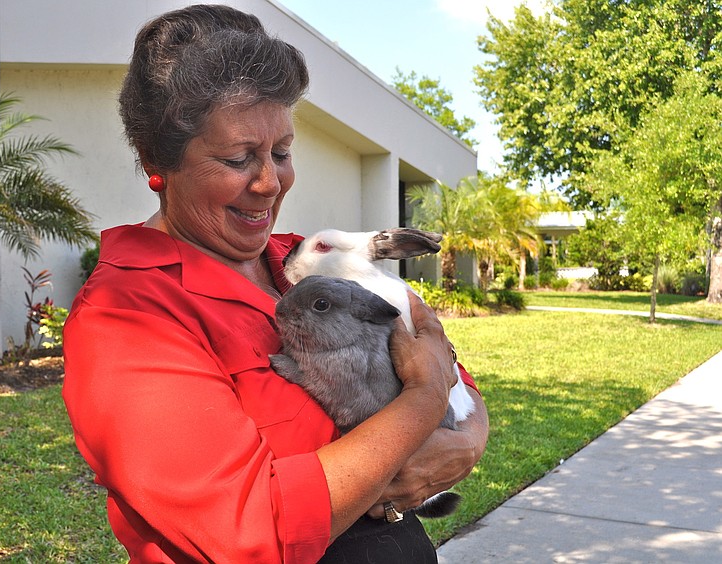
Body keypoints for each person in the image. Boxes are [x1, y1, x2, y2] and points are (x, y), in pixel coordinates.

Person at [62, 5, 488, 563]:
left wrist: (466, 440)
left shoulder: (309, 259)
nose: (270, 182)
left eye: (281, 153)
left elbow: (452, 372)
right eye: (239, 158)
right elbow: (253, 532)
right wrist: (423, 401)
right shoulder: (127, 317)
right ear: (155, 159)